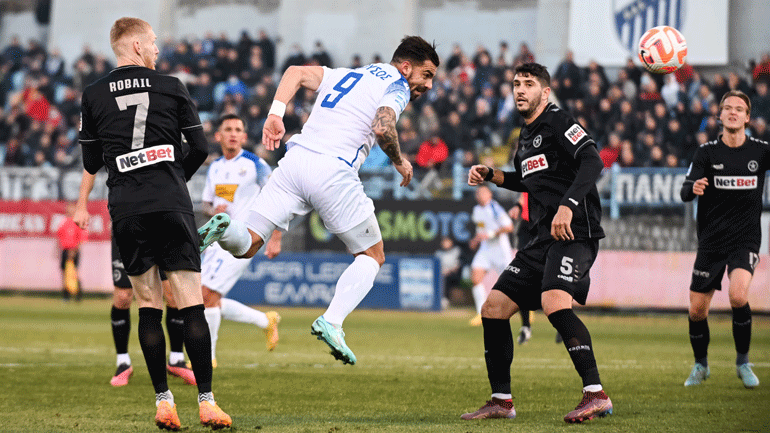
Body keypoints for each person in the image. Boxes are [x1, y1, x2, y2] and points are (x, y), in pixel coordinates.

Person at [198, 36, 439, 365]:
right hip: (333, 171)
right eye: (426, 75)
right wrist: (399, 161)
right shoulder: (397, 85)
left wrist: (275, 114)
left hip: (294, 164)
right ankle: (333, 321)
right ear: (406, 66)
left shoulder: (348, 74)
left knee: (249, 242)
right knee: (372, 255)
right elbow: (383, 128)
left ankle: (225, 228)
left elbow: (295, 71)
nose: (427, 84)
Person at [78, 17, 230, 430]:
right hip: (170, 201)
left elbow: (92, 162)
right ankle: (207, 403)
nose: (158, 49)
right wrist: (173, 177)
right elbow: (199, 146)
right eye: (155, 43)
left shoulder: (92, 94)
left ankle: (164, 402)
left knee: (148, 303)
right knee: (190, 301)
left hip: (127, 207)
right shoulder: (171, 86)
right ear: (139, 47)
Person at [461, 63, 612, 423]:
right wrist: (494, 176)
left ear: (545, 92)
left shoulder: (559, 121)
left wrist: (568, 206)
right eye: (516, 83)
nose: (520, 89)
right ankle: (501, 401)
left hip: (574, 231)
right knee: (493, 308)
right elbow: (528, 182)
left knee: (554, 303)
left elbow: (593, 161)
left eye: (529, 84)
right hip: (542, 236)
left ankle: (596, 394)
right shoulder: (525, 138)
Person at [72, 170, 197, 388]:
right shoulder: (112, 137)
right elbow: (90, 165)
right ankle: (123, 362)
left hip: (162, 219)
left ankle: (176, 358)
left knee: (172, 294)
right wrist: (81, 205)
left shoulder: (160, 137)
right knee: (123, 296)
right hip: (127, 220)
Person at [680, 90, 764, 389]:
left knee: (738, 295)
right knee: (696, 310)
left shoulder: (761, 151)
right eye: (727, 108)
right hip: (712, 241)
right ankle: (701, 365)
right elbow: (684, 191)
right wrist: (695, 187)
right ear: (719, 116)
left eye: (738, 109)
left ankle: (743, 362)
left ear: (747, 117)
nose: (732, 112)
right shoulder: (706, 153)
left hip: (745, 240)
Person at [200, 113, 283, 365]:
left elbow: (277, 197)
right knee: (204, 298)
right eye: (228, 129)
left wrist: (275, 237)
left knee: (207, 295)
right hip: (217, 240)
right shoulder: (214, 167)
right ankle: (264, 320)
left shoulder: (256, 164)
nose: (233, 133)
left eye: (238, 129)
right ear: (219, 136)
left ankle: (207, 358)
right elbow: (206, 204)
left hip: (243, 238)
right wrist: (213, 211)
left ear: (245, 137)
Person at [467, 185, 514, 327]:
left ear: (489, 195)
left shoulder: (495, 208)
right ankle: (482, 313)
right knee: (475, 278)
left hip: (500, 250)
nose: (479, 195)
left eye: (482, 193)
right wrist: (476, 240)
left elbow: (509, 226)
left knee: (511, 284)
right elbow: (481, 230)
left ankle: (526, 309)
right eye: (477, 193)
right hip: (485, 249)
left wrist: (491, 234)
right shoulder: (476, 210)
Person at [56, 202, 88, 301]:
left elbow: (81, 239)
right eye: (68, 208)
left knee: (74, 272)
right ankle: (66, 295)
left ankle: (78, 294)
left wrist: (74, 251)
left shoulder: (77, 222)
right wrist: (58, 250)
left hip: (73, 250)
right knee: (64, 273)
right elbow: (59, 237)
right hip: (65, 250)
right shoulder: (63, 222)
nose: (69, 210)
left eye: (71, 208)